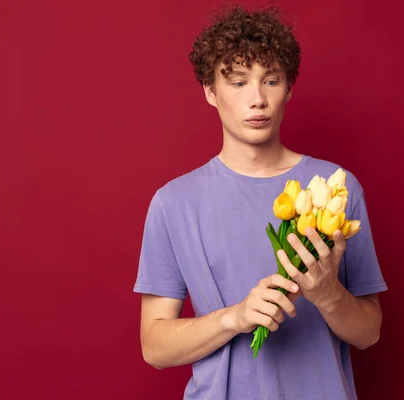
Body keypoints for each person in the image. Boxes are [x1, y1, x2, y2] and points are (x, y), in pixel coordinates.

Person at [133, 4, 387, 399]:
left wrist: (326, 294)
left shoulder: (336, 188)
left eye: (271, 80)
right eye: (237, 82)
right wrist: (234, 317)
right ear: (210, 91)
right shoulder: (173, 203)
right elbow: (154, 345)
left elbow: (369, 333)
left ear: (288, 89)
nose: (257, 99)